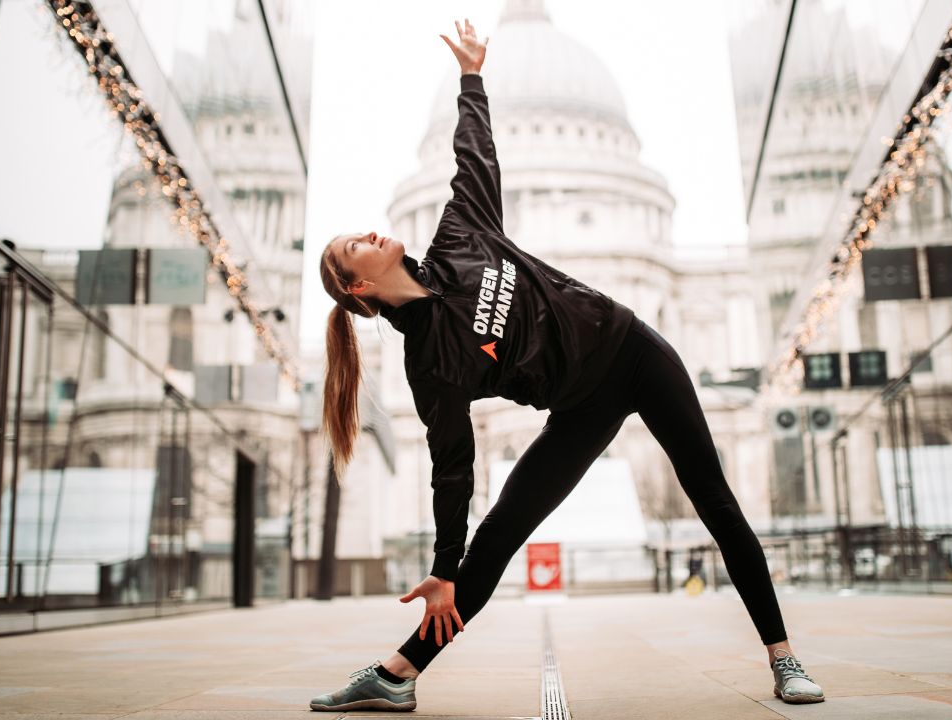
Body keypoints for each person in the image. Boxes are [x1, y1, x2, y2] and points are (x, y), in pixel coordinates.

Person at [309, 19, 825, 713]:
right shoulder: (429, 364)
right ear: (359, 288)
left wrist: (471, 78)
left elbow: (474, 157)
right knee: (497, 534)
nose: (371, 231)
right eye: (355, 245)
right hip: (582, 404)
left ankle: (784, 658)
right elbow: (452, 468)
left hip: (634, 352)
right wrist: (440, 569)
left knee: (714, 500)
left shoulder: (462, 234)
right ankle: (397, 674)